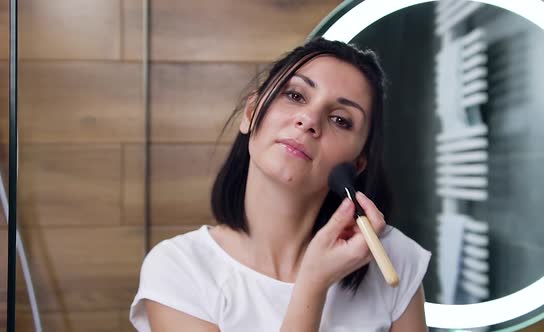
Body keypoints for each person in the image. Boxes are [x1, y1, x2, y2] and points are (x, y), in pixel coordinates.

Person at [129, 37, 431, 331]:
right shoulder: (179, 269)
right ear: (251, 113)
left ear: (357, 164)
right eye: (295, 95)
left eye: (340, 119)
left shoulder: (392, 259)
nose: (309, 119)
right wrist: (313, 283)